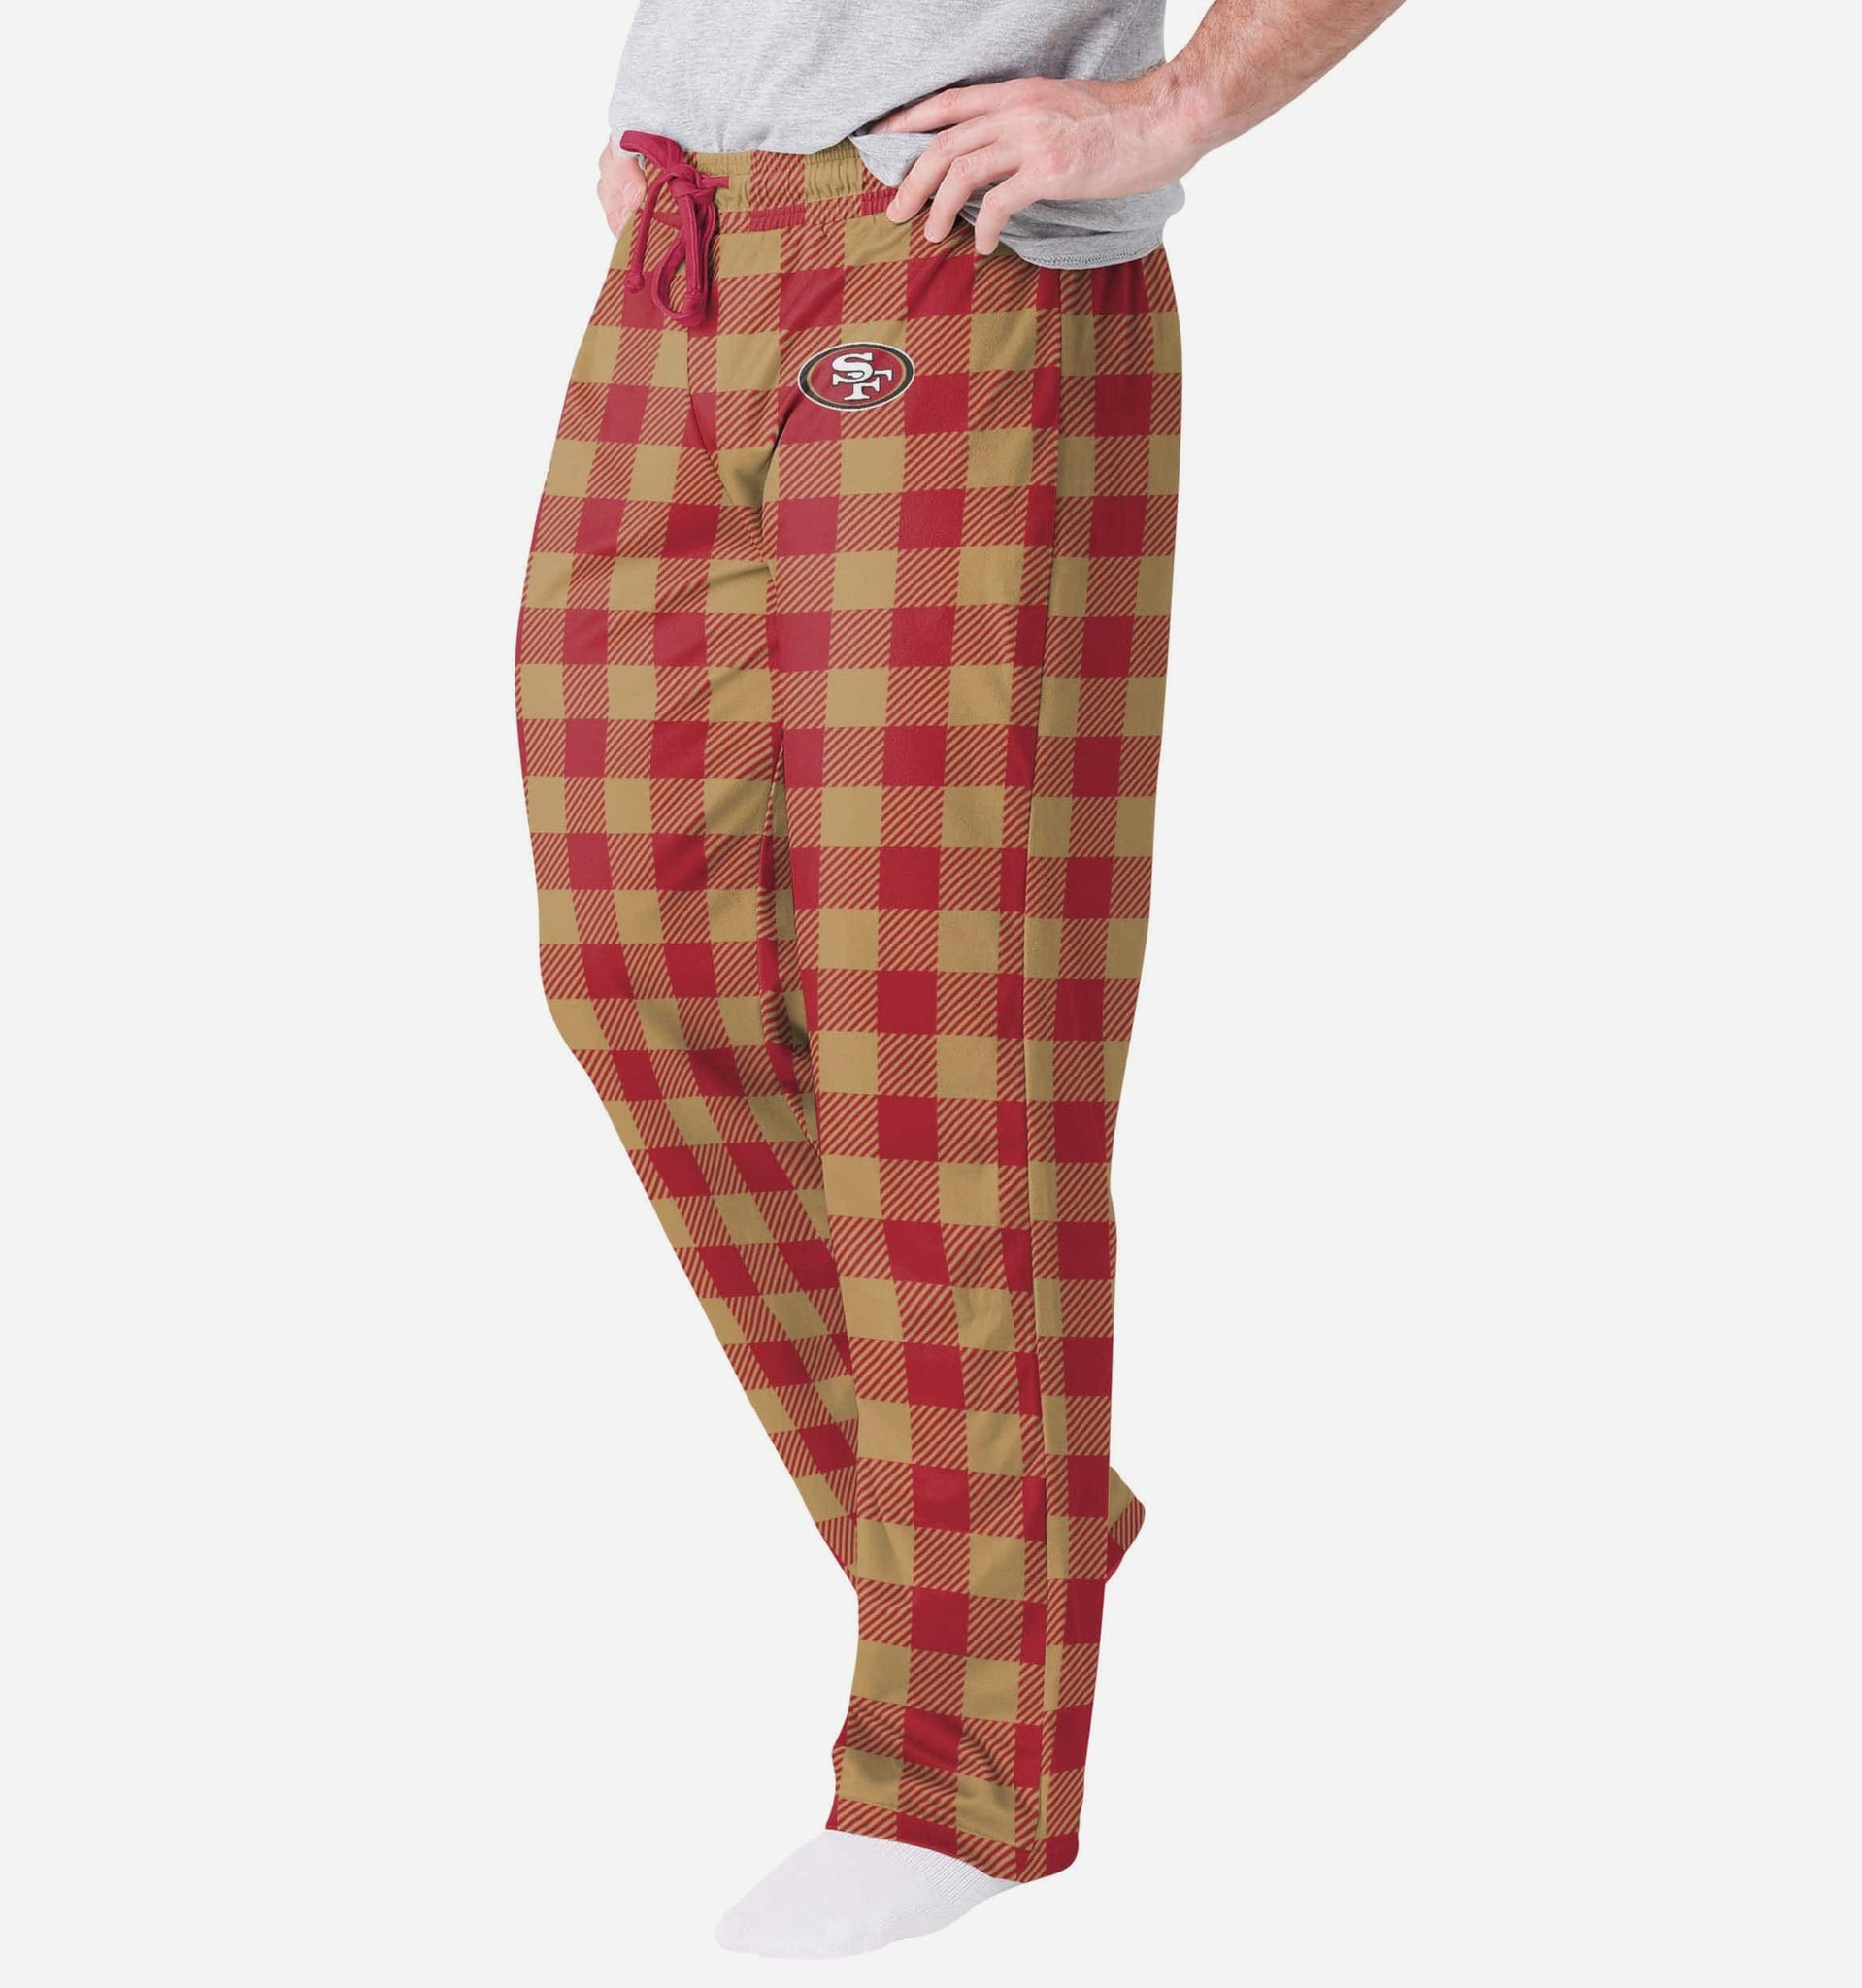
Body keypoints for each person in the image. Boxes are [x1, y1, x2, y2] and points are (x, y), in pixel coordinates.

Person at [515, 0, 1404, 1957]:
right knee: (634, 968)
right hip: (681, 249)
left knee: (940, 1040)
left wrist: (1177, 104)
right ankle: (1027, 1531)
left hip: (957, 257)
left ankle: (962, 1778)